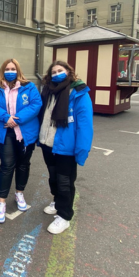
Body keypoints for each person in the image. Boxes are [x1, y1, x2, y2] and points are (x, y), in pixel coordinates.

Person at [38, 60, 93, 234]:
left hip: (66, 146)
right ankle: (57, 201)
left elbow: (84, 124)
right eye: (53, 72)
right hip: (47, 143)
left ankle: (64, 215)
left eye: (60, 70)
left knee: (65, 181)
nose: (56, 74)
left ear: (69, 72)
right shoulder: (47, 91)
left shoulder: (78, 92)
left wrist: (81, 149)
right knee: (53, 177)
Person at [0, 59, 42, 223]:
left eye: (13, 68)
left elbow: (36, 104)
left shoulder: (29, 86)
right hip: (5, 131)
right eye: (7, 68)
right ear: (2, 70)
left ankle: (19, 193)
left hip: (25, 131)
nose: (10, 71)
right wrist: (7, 117)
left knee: (24, 164)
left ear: (18, 70)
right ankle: (2, 202)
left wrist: (17, 119)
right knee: (6, 165)